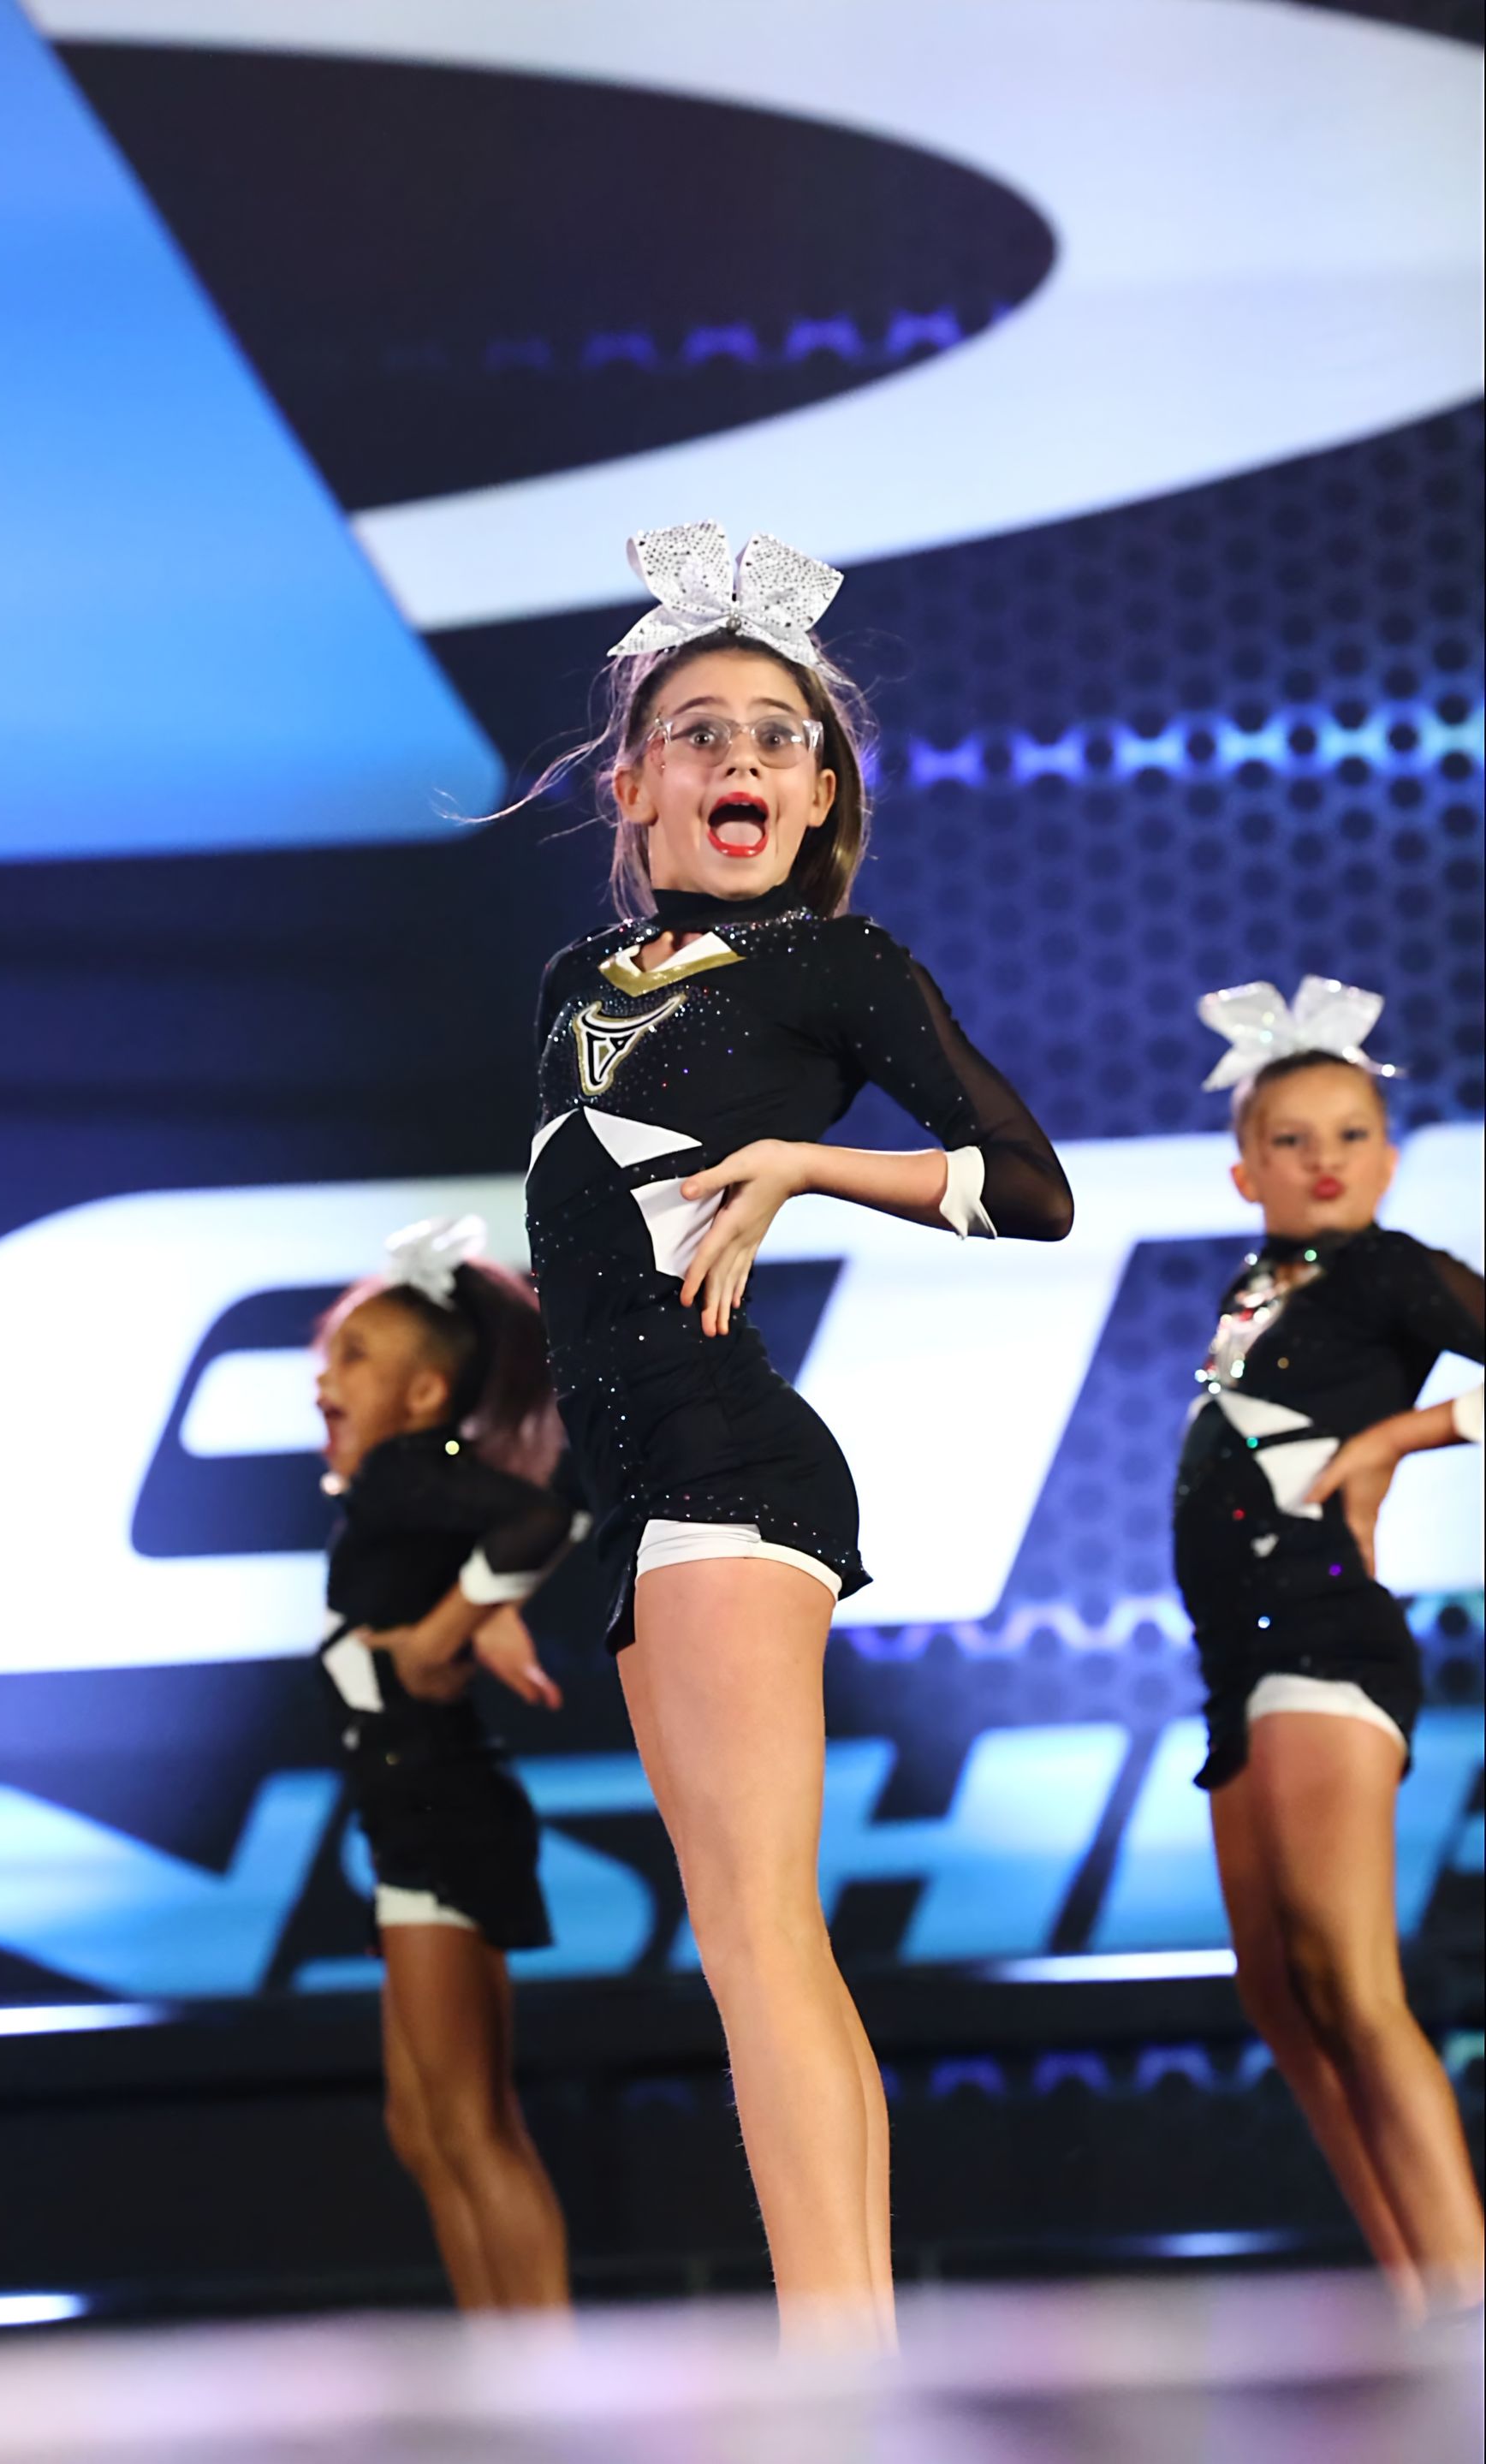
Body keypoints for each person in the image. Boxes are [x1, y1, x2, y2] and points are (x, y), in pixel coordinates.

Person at [522, 522, 1073, 2341]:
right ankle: (842, 2359)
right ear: (636, 780)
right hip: (638, 1491)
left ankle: (845, 2376)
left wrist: (807, 1157)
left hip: (733, 1463)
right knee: (746, 1932)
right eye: (700, 729)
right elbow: (601, 1252)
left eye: (776, 731)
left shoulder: (837, 968)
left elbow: (1030, 1189)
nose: (740, 755)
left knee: (762, 1929)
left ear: (820, 785)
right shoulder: (574, 997)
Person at [1175, 976, 1485, 2315]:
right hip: (1242, 1666)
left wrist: (1397, 1439)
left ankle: (1467, 2309)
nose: (1324, 1161)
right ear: (1247, 1167)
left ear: (1390, 1155)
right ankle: (1418, 2300)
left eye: (1350, 1135)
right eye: (1294, 1140)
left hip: (1324, 1634)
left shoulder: (1391, 1269)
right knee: (1289, 2004)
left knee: (1354, 1987)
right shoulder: (1263, 1282)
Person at [314, 1216, 576, 2312]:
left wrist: (442, 1633)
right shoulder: (412, 1487)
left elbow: (539, 1520)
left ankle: (539, 2391)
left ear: (425, 1397)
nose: (323, 1381)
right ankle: (501, 2377)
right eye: (327, 1358)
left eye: (355, 1359)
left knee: (467, 2123)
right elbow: (486, 1549)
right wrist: (478, 1618)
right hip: (417, 1805)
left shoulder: (407, 1475)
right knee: (425, 2127)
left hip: (436, 1803)